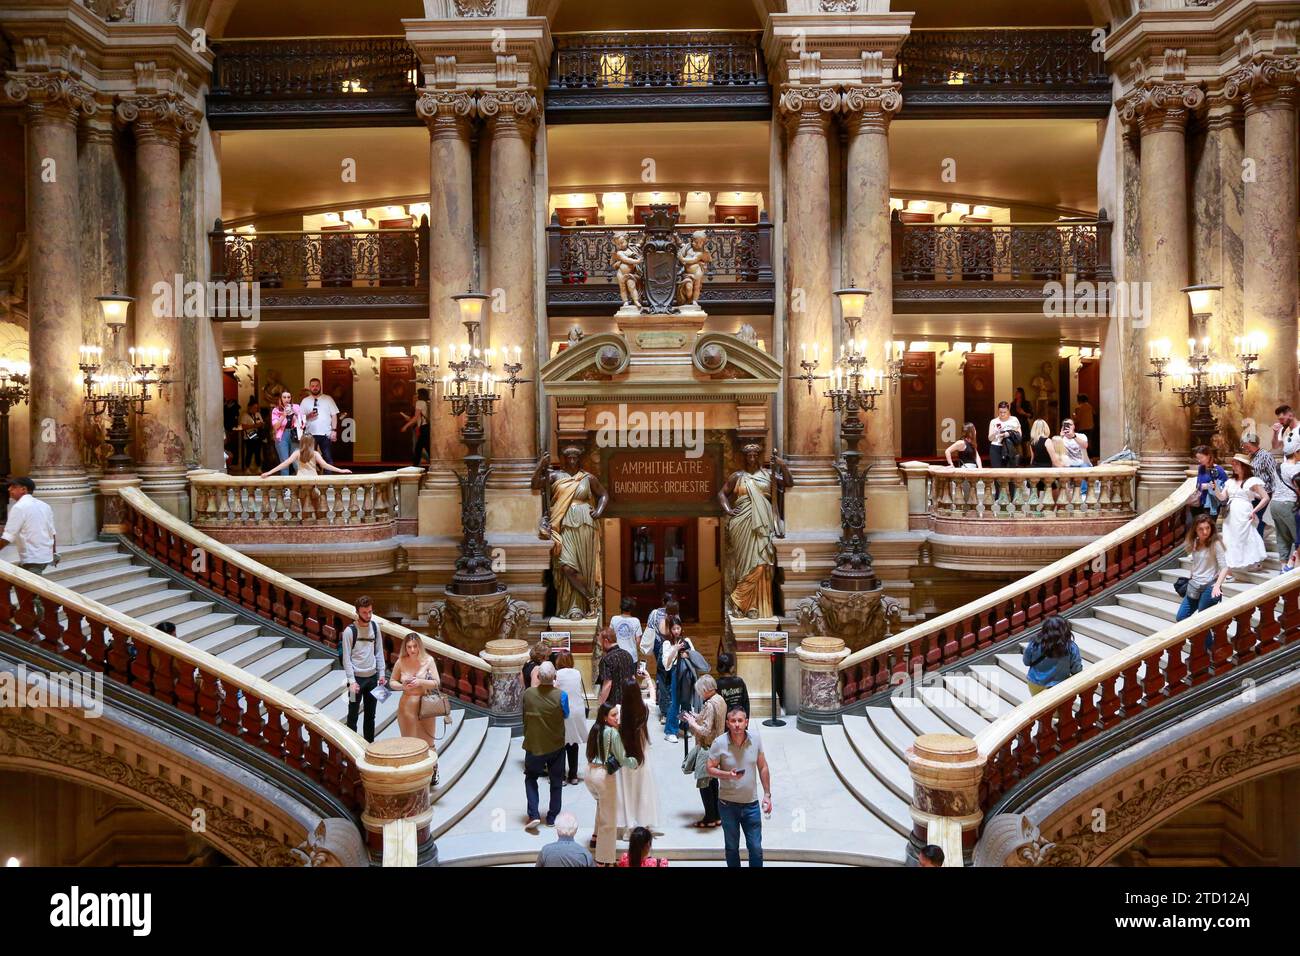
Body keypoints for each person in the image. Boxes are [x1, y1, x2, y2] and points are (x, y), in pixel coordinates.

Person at [707, 707, 771, 868]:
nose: (737, 725)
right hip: (728, 805)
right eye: (733, 721)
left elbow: (763, 767)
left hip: (751, 804)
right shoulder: (719, 743)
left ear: (746, 722)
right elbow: (709, 768)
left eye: (740, 721)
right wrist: (728, 775)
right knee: (732, 847)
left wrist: (767, 795)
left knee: (756, 848)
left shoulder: (755, 739)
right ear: (728, 723)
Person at [586, 703, 637, 865]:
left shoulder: (595, 729)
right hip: (603, 776)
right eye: (613, 715)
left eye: (617, 714)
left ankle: (595, 837)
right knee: (609, 822)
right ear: (604, 717)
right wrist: (634, 762)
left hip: (589, 773)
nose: (617, 718)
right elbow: (622, 758)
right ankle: (603, 860)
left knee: (601, 806)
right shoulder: (612, 733)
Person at [522, 661, 569, 831]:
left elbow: (525, 714)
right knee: (556, 781)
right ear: (555, 677)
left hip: (534, 744)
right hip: (555, 744)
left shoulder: (528, 694)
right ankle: (552, 816)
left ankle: (533, 814)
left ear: (539, 677)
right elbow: (566, 714)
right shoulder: (561, 695)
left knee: (531, 778)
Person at [680, 673, 727, 828]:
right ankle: (718, 815)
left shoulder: (709, 704)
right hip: (719, 745)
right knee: (713, 782)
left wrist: (693, 723)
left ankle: (709, 818)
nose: (699, 694)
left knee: (704, 783)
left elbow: (706, 730)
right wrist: (696, 716)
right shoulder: (719, 699)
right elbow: (711, 720)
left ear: (706, 690)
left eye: (700, 691)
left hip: (708, 747)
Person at [614, 679, 659, 835]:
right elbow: (653, 696)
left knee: (627, 792)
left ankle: (629, 824)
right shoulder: (645, 708)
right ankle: (642, 822)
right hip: (642, 757)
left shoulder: (618, 710)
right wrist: (647, 677)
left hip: (625, 758)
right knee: (643, 791)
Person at [389, 632, 441, 752]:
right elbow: (392, 682)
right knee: (409, 744)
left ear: (420, 646)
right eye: (409, 647)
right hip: (407, 706)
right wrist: (403, 687)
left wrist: (420, 682)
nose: (412, 650)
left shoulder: (428, 660)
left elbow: (436, 682)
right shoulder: (401, 661)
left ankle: (433, 770)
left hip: (426, 705)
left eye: (415, 646)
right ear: (405, 648)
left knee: (429, 743)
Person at [1217, 453, 1269, 570]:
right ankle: (1231, 564)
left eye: (1236, 464)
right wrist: (1215, 487)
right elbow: (1222, 497)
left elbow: (1265, 498)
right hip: (1230, 513)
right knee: (1230, 538)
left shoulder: (1252, 481)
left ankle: (1252, 561)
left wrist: (1254, 511)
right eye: (1233, 464)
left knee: (1246, 536)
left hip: (1244, 512)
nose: (1233, 466)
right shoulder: (1230, 481)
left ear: (1243, 466)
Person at [1177, 514, 1228, 622]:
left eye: (1207, 528)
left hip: (1209, 586)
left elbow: (1224, 567)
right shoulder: (1195, 542)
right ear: (1195, 530)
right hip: (1194, 584)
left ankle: (1206, 639)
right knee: (1181, 617)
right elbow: (1195, 562)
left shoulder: (1216, 544)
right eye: (1201, 529)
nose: (1205, 532)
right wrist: (1190, 578)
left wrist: (1217, 586)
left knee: (1203, 621)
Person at [660, 618, 704, 743]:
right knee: (675, 702)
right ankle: (670, 731)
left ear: (681, 628)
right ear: (670, 630)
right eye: (673, 629)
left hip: (687, 673)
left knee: (686, 701)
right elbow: (666, 664)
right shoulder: (667, 643)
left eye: (678, 628)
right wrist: (675, 649)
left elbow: (695, 656)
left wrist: (687, 654)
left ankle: (684, 727)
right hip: (675, 673)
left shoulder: (687, 640)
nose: (676, 631)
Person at [2, 477, 57, 575]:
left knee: (29, 589)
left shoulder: (19, 507)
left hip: (32, 559)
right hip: (44, 557)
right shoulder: (45, 505)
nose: (9, 489)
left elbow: (8, 537)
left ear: (24, 489)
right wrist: (53, 552)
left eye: (13, 487)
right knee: (18, 582)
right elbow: (52, 532)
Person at [1021, 615, 1083, 695]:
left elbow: (1026, 662)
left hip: (1034, 683)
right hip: (1057, 686)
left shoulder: (1034, 643)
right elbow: (1076, 670)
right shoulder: (1071, 647)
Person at [553, 651, 588, 786]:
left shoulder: (558, 674)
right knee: (573, 742)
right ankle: (573, 775)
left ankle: (561, 776)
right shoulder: (577, 673)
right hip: (577, 710)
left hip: (563, 711)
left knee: (561, 744)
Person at [645, 593, 680, 723]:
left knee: (663, 678)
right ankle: (669, 709)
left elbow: (649, 627)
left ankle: (665, 711)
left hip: (659, 648)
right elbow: (674, 632)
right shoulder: (673, 617)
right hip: (669, 649)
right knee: (670, 677)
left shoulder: (655, 614)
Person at [301, 377, 340, 464]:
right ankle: (312, 477)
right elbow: (300, 418)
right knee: (310, 459)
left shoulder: (328, 399)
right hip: (310, 434)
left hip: (326, 433)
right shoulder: (305, 401)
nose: (315, 388)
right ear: (310, 387)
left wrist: (334, 430)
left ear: (320, 386)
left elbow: (334, 415)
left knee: (327, 458)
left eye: (317, 386)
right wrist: (308, 416)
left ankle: (328, 477)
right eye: (313, 386)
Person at [595, 626, 634, 709]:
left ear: (605, 641)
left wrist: (601, 705)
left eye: (600, 644)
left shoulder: (606, 660)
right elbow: (633, 679)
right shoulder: (628, 655)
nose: (600, 647)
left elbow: (608, 684)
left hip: (614, 706)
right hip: (629, 702)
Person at [1189, 444, 1227, 524]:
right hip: (1200, 501)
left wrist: (1209, 486)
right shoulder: (1201, 468)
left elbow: (1226, 486)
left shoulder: (1218, 469)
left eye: (1201, 458)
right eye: (1198, 458)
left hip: (1212, 503)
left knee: (1210, 526)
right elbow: (1198, 484)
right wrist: (1200, 486)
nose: (1199, 460)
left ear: (1209, 456)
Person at [270, 390, 301, 475]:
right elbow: (275, 426)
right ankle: (286, 486)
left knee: (296, 461)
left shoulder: (296, 407)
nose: (287, 399)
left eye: (289, 397)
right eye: (284, 397)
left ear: (291, 398)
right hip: (282, 436)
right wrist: (283, 415)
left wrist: (293, 414)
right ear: (280, 399)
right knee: (284, 462)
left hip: (294, 434)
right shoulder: (276, 410)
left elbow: (301, 423)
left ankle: (301, 484)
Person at [400, 387, 430, 468]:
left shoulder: (419, 402)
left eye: (418, 393)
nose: (416, 395)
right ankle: (417, 464)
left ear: (421, 394)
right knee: (421, 447)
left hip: (423, 427)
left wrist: (406, 426)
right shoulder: (426, 402)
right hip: (427, 427)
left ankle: (416, 465)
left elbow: (415, 417)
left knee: (419, 447)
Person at [987, 401, 1022, 468]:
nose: (1002, 414)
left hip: (1010, 447)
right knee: (997, 471)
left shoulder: (1014, 419)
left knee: (1010, 471)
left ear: (1008, 411)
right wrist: (995, 432)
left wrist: (1008, 434)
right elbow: (990, 438)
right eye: (1000, 412)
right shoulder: (994, 421)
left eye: (1004, 412)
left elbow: (1019, 435)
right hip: (996, 447)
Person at [714, 651, 750, 716]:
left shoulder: (716, 684)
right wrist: (745, 720)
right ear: (732, 667)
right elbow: (746, 703)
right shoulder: (739, 681)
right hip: (739, 720)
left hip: (724, 721)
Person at [609, 596, 644, 661]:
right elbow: (638, 641)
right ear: (632, 608)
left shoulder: (614, 619)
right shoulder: (636, 621)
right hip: (631, 656)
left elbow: (610, 637)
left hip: (616, 656)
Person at [239, 397, 265, 474]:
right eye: (254, 407)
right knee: (249, 453)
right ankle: (247, 468)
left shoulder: (258, 414)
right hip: (248, 437)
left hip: (257, 436)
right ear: (250, 407)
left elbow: (261, 423)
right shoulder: (245, 415)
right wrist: (254, 426)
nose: (255, 409)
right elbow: (243, 426)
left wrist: (259, 425)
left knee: (258, 452)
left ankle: (259, 467)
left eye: (257, 408)